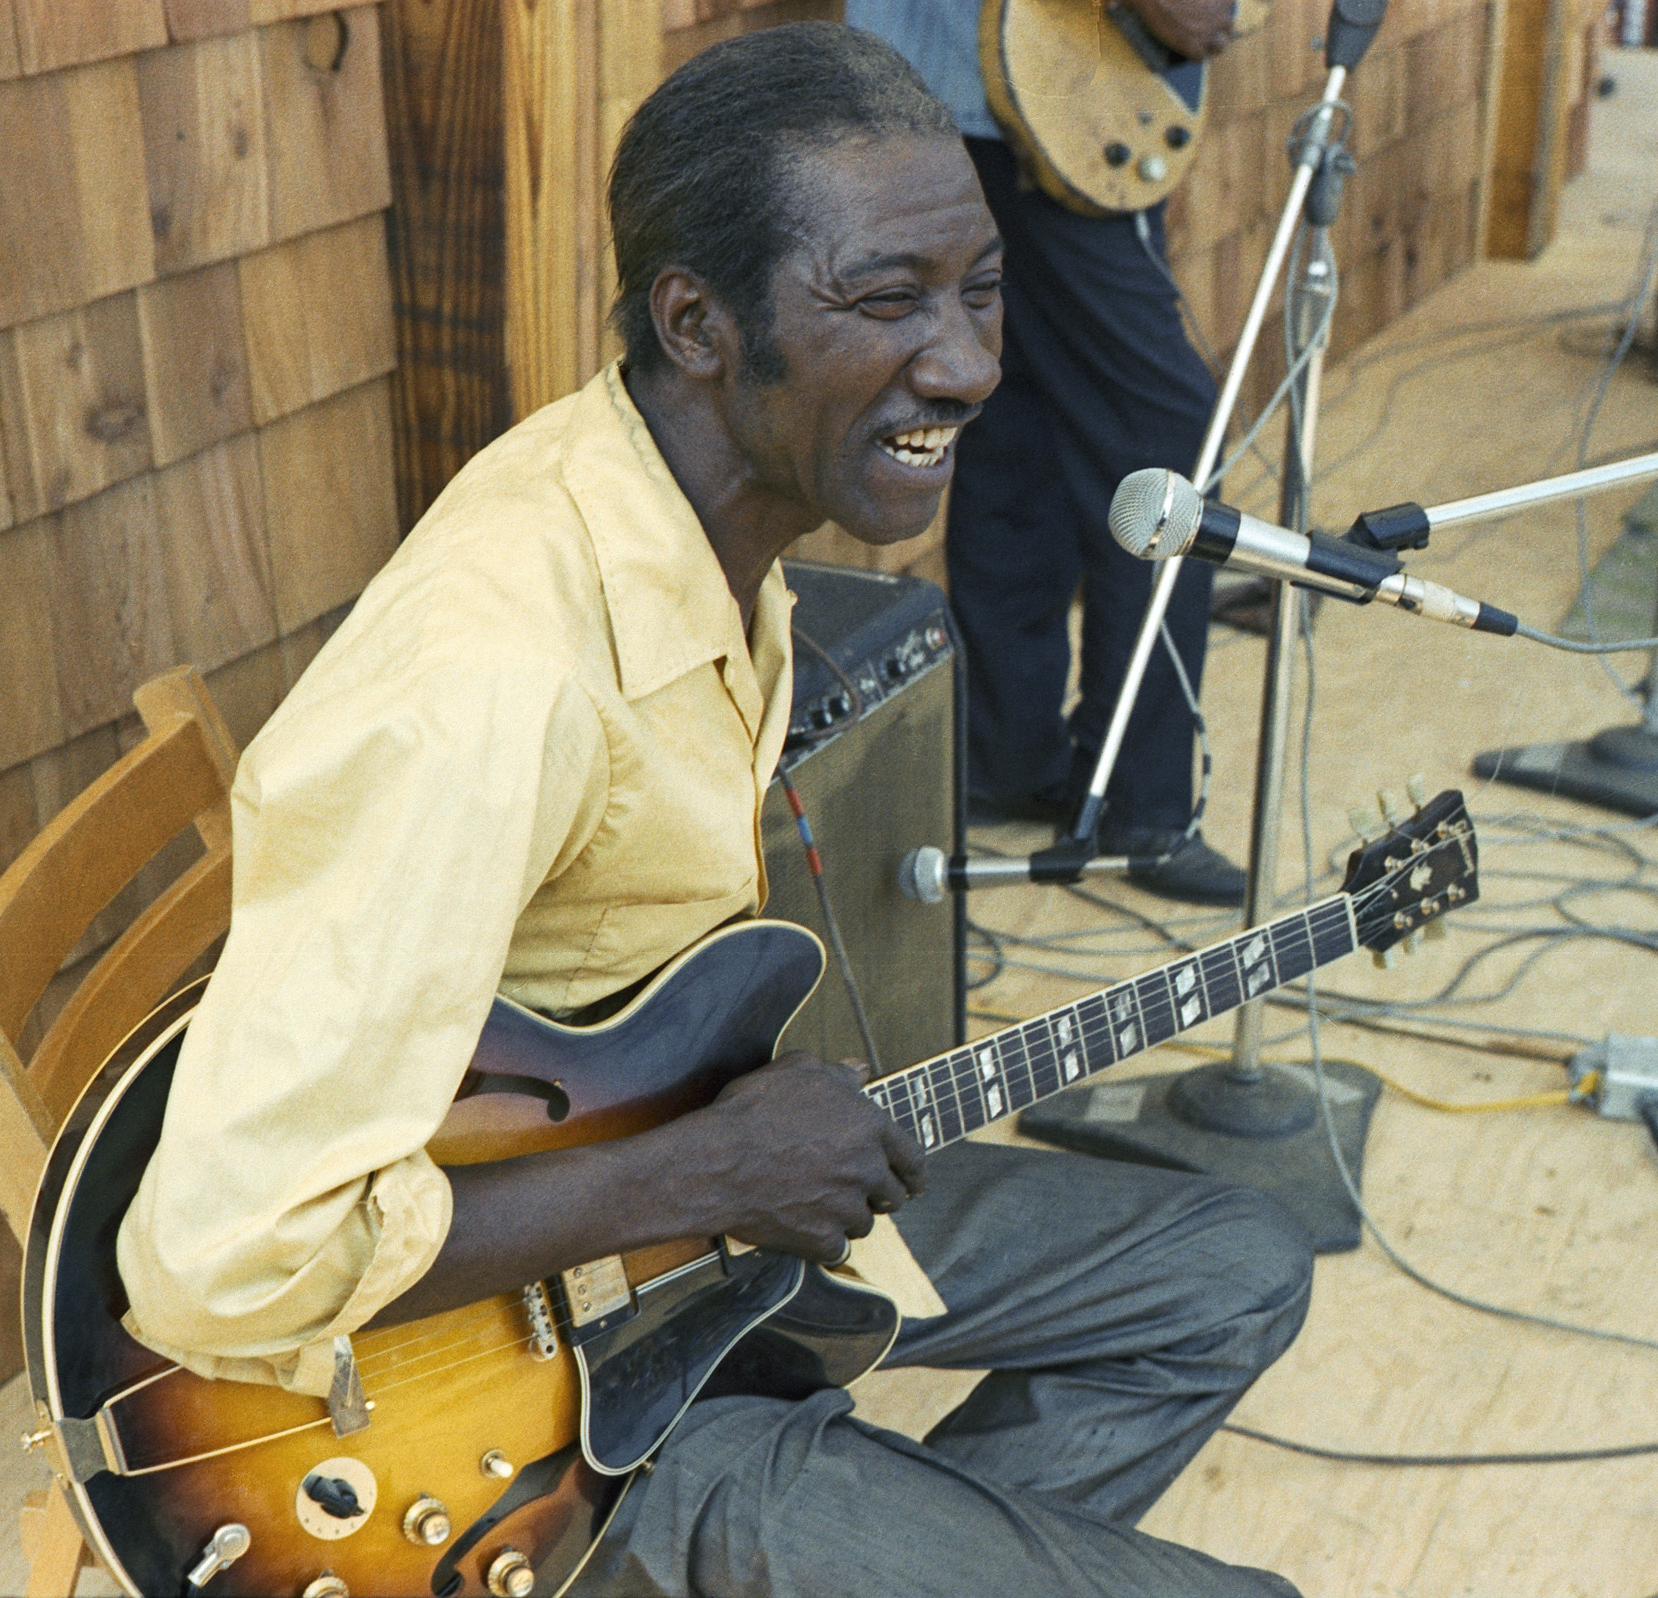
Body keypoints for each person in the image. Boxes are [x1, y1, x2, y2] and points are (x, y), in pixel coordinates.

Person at [116, 25, 1309, 1596]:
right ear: (698, 320)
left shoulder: (698, 530)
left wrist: (714, 1139)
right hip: (500, 1422)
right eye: (887, 300)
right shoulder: (494, 683)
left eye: (981, 289)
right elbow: (219, 1258)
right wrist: (703, 1175)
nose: (966, 362)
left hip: (662, 1258)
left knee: (1230, 1266)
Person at [847, 0, 1248, 905]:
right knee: (1166, 441)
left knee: (1015, 420)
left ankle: (1006, 751)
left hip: (971, 95)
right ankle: (1141, 807)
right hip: (1048, 89)